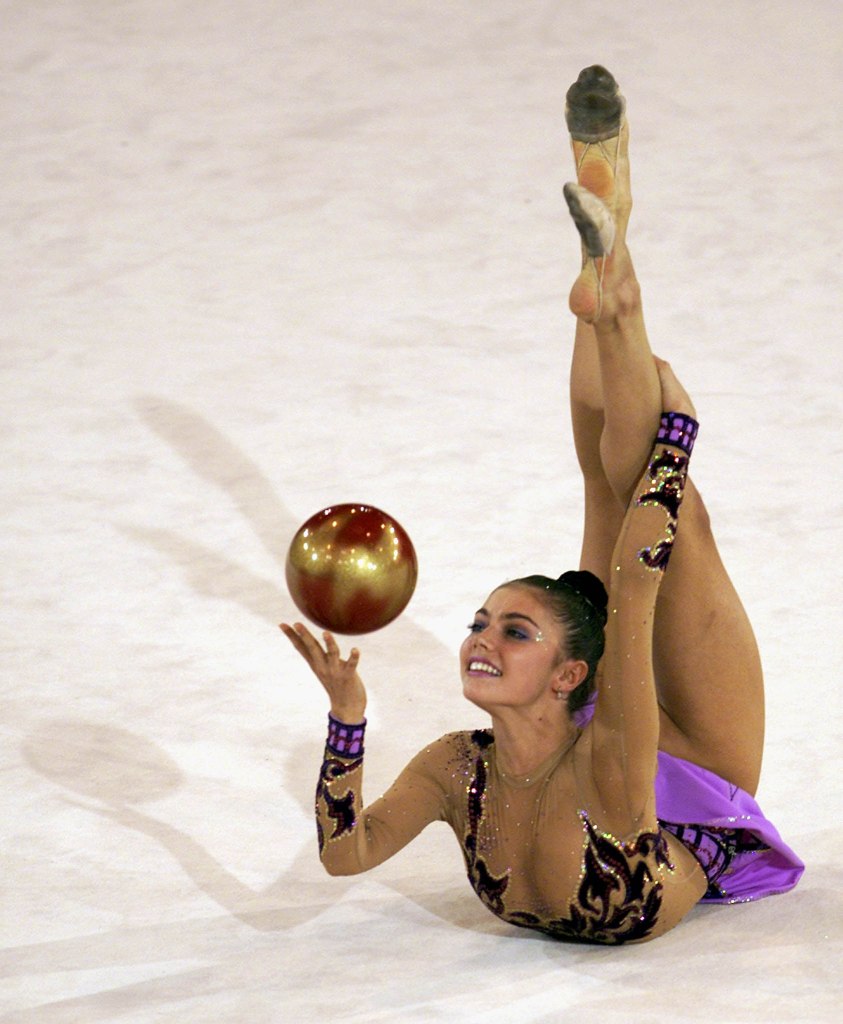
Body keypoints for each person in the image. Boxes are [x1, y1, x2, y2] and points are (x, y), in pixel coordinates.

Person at [280, 66, 803, 945]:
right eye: (488, 623)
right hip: (710, 766)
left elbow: (638, 589)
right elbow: (345, 854)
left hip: (640, 749)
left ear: (568, 676)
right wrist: (347, 718)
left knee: (629, 494)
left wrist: (676, 445)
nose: (480, 638)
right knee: (640, 500)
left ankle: (609, 294)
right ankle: (607, 288)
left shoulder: (606, 762)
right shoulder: (457, 767)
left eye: (508, 631)